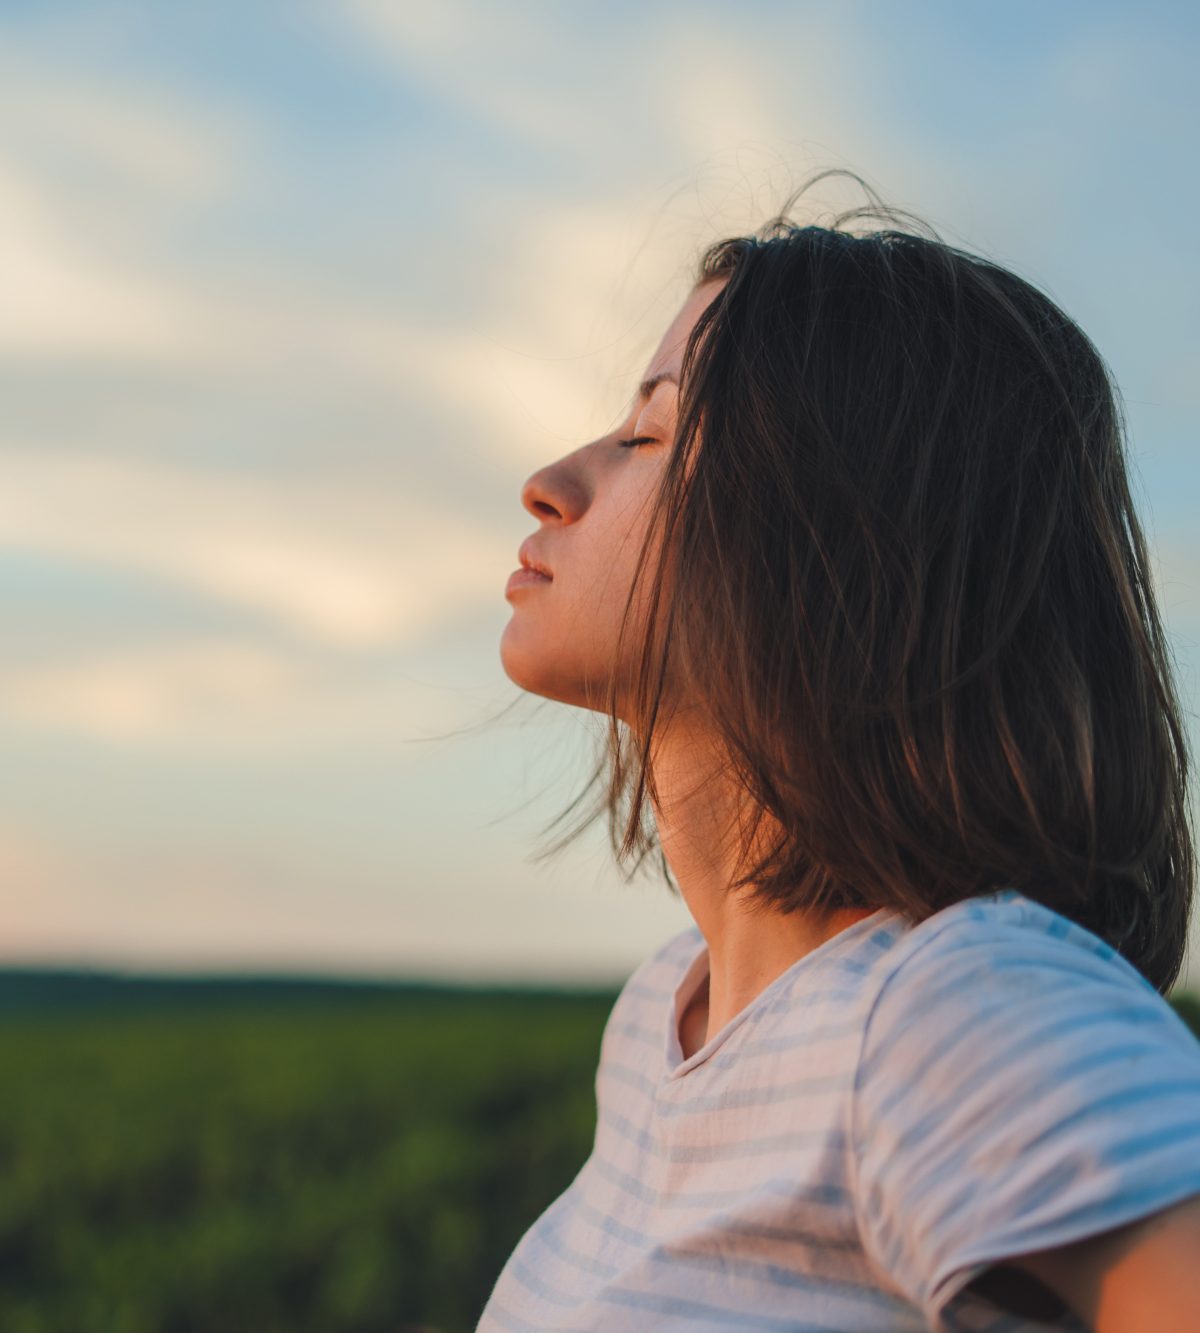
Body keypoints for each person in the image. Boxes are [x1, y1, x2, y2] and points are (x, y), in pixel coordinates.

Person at [479, 171, 1200, 1332]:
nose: (554, 483)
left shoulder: (952, 1005)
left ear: (830, 543)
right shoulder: (666, 1012)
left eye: (650, 431)